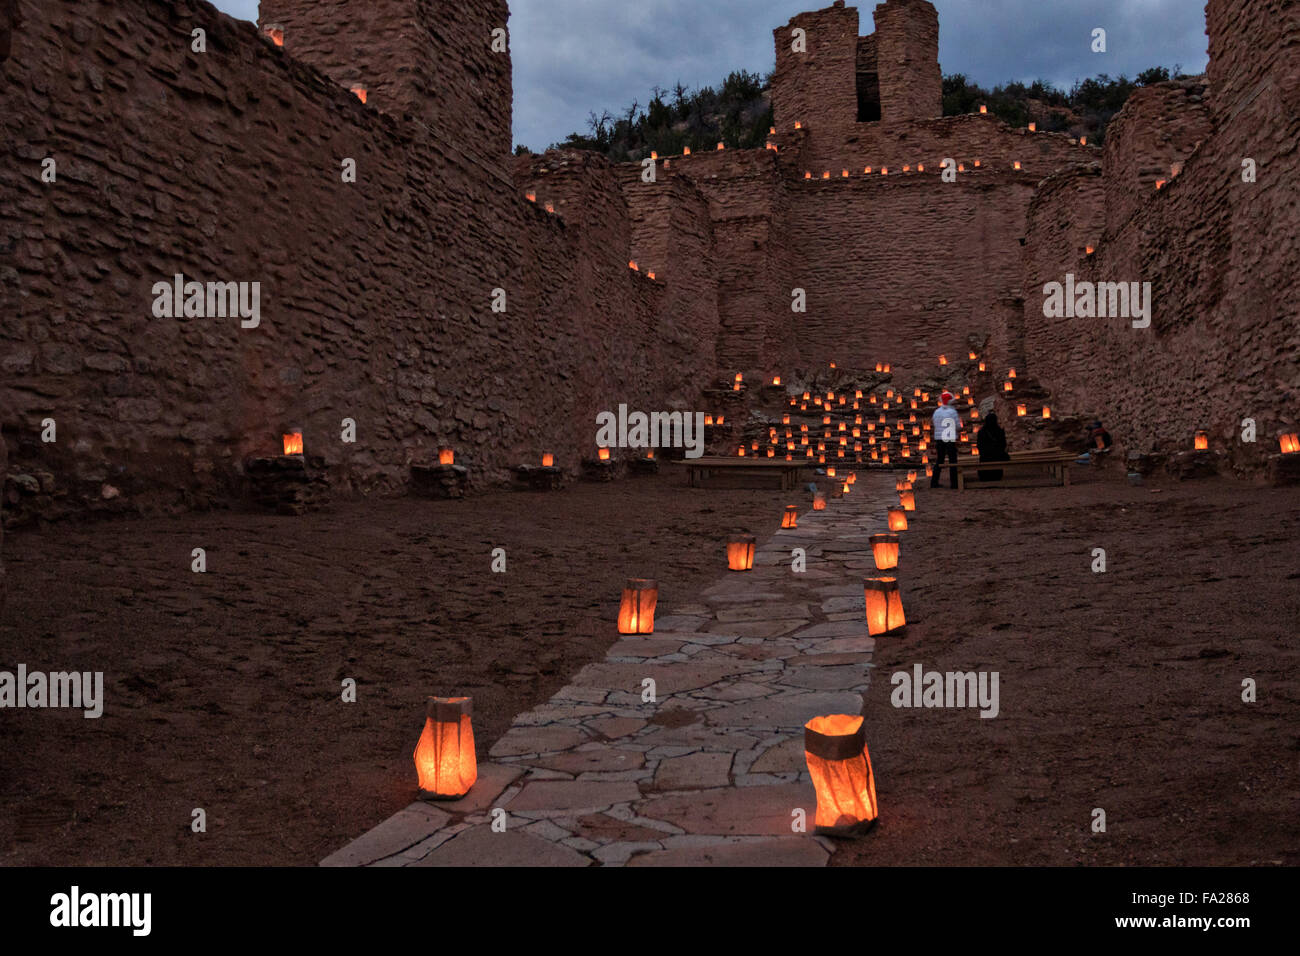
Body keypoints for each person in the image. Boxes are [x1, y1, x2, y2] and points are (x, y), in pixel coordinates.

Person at [930, 391, 961, 489]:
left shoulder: (937, 412)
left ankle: (934, 482)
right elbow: (957, 426)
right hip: (949, 437)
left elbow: (934, 423)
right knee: (952, 460)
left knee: (940, 460)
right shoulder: (952, 412)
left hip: (939, 438)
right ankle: (954, 483)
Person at [976, 412, 1009, 481]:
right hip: (997, 456)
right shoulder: (999, 431)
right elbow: (1003, 444)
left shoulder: (982, 432)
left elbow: (979, 446)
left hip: (985, 457)